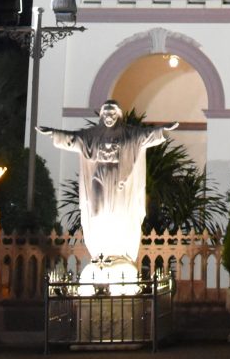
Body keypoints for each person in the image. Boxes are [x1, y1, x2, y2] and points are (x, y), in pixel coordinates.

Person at [39, 100, 175, 266]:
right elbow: (74, 139)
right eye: (105, 113)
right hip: (99, 176)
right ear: (102, 116)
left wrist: (162, 131)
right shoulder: (93, 134)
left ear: (118, 115)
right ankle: (100, 251)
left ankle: (117, 253)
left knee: (118, 214)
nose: (108, 117)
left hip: (119, 181)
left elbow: (145, 136)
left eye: (112, 113)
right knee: (96, 212)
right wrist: (54, 133)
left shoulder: (129, 134)